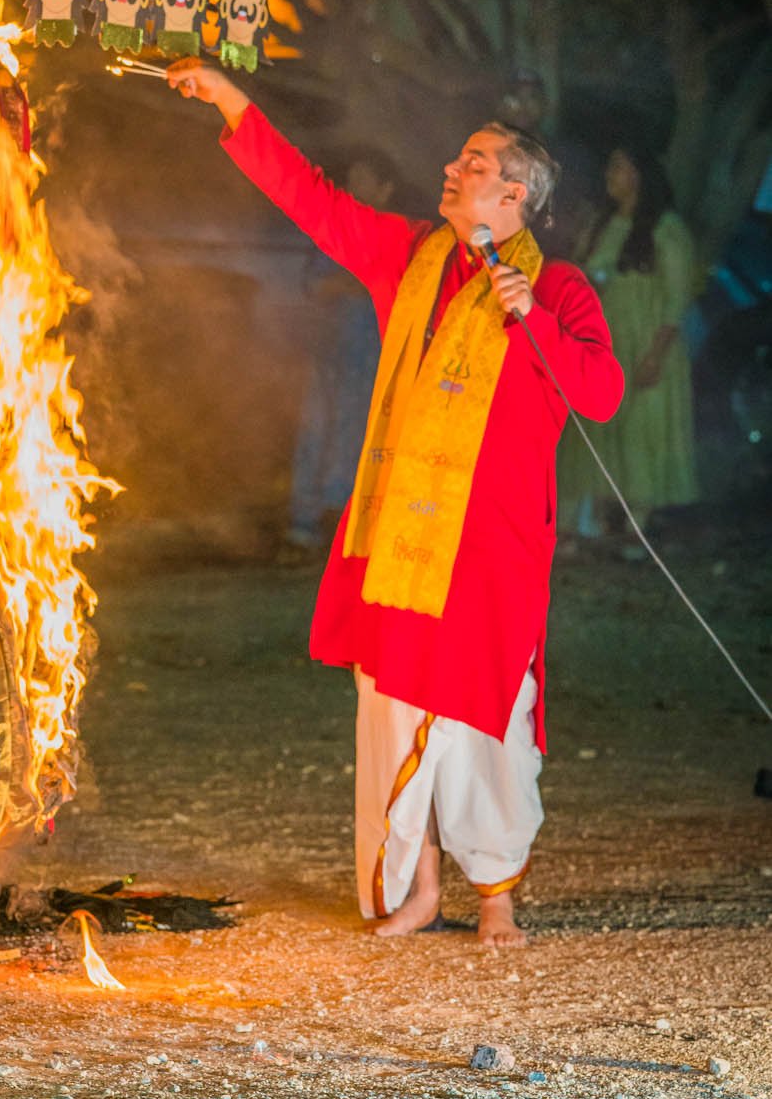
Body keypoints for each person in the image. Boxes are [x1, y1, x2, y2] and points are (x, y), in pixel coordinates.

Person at [167, 58, 624, 943]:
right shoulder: (411, 256)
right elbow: (315, 201)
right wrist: (233, 105)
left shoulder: (560, 290)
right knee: (397, 707)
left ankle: (497, 900)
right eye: (460, 159)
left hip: (492, 551)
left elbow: (599, 394)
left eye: (476, 163)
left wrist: (532, 317)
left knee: (490, 717)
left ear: (517, 195)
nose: (454, 170)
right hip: (403, 537)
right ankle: (418, 890)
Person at [559, 140, 698, 546]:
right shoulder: (601, 225)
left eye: (617, 167)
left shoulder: (666, 231)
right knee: (598, 429)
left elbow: (676, 299)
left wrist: (655, 354)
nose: (609, 176)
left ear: (639, 175)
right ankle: (587, 521)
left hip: (645, 341)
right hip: (605, 342)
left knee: (642, 432)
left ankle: (638, 527)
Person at [284, 149, 399, 559]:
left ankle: (342, 518)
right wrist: (352, 282)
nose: (354, 185)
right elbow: (317, 285)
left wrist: (353, 283)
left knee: (356, 432)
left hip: (368, 352)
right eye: (352, 176)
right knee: (316, 427)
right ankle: (306, 519)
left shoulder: (391, 233)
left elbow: (383, 285)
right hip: (328, 348)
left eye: (364, 178)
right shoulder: (332, 228)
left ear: (384, 190)